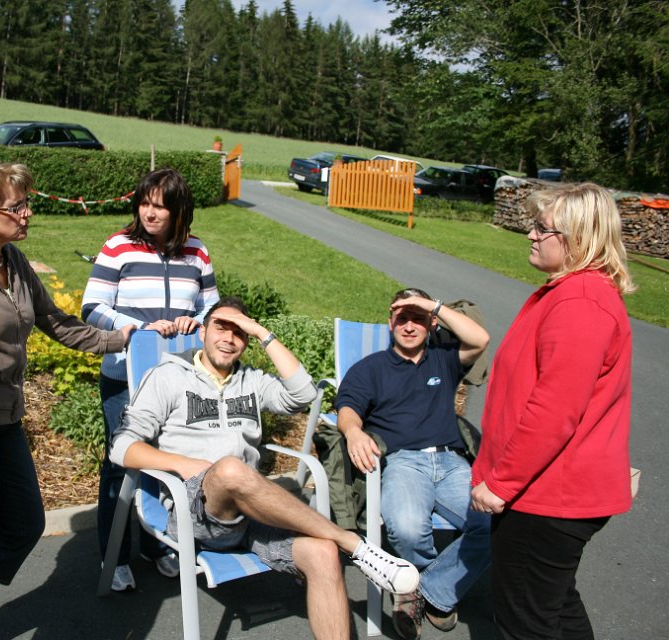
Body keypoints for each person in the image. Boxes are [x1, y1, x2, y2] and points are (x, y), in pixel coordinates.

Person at [109, 297, 420, 639]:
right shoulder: (167, 376)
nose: (229, 339)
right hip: (194, 511)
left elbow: (304, 395)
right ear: (203, 332)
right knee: (229, 470)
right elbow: (121, 446)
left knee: (323, 553)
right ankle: (352, 542)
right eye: (221, 328)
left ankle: (341, 545)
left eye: (240, 332)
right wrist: (185, 465)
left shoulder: (253, 381)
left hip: (252, 513)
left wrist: (262, 333)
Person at [0, 161, 135, 640]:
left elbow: (55, 321)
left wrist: (120, 339)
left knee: (24, 523)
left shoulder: (13, 260)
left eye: (26, 203)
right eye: (17, 206)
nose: (27, 213)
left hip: (6, 416)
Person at [471, 183, 635, 640]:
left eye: (542, 228)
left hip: (546, 495)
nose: (531, 234)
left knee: (526, 622)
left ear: (578, 238)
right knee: (555, 607)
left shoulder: (580, 302)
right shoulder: (572, 293)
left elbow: (554, 410)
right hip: (545, 491)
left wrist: (502, 482)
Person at [82, 167, 219, 590]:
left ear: (179, 210)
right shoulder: (118, 247)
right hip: (124, 375)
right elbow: (92, 308)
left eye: (160, 206)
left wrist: (194, 321)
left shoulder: (197, 252)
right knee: (121, 463)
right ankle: (114, 557)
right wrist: (140, 329)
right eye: (144, 203)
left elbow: (212, 310)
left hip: (178, 379)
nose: (150, 213)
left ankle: (158, 545)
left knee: (168, 459)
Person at [334, 288, 491, 640]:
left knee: (498, 525)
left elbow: (480, 338)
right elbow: (347, 408)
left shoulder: (445, 359)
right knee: (406, 530)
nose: (409, 326)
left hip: (452, 463)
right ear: (390, 323)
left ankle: (422, 591)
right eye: (401, 318)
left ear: (432, 323)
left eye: (417, 318)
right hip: (404, 462)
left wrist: (431, 305)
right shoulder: (371, 368)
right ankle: (437, 587)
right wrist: (354, 432)